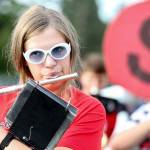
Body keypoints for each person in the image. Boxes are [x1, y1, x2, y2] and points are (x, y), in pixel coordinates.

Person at [0, 5, 106, 150]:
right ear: (24, 59)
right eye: (36, 54)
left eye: (58, 50)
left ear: (71, 50)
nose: (50, 63)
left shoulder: (89, 109)